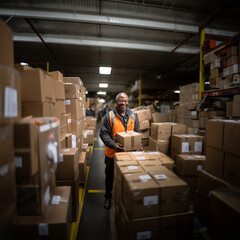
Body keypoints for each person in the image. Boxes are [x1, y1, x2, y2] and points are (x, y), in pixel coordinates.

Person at [100, 92, 142, 210]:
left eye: (125, 101)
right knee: (110, 177)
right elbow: (103, 134)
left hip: (128, 155)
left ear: (127, 102)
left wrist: (140, 144)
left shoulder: (133, 116)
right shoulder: (109, 116)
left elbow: (138, 132)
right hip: (112, 154)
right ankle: (108, 196)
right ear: (116, 102)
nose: (123, 103)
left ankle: (125, 197)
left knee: (127, 177)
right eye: (121, 100)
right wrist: (113, 145)